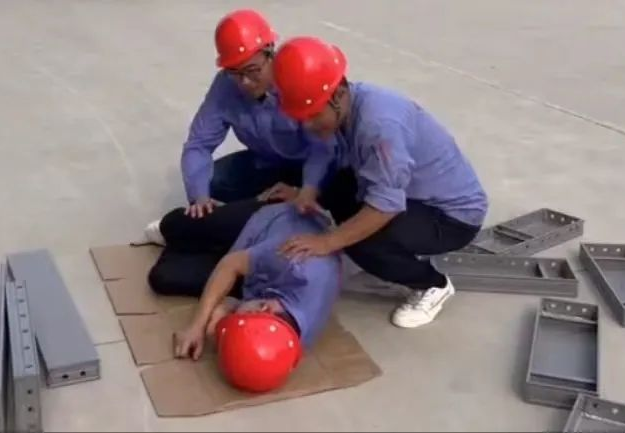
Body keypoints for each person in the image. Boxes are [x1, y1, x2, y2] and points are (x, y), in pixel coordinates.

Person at [269, 36, 489, 329]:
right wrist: (307, 191)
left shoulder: (378, 126)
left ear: (337, 94)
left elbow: (385, 206)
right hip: (413, 194)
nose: (307, 125)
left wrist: (327, 242)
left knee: (363, 241)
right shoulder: (348, 105)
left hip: (451, 217)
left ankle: (432, 285)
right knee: (337, 188)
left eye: (312, 116)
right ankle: (390, 258)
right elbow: (323, 151)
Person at [178, 9, 335, 219]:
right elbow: (198, 144)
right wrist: (199, 196)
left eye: (252, 70)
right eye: (235, 72)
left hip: (311, 165)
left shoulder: (297, 76)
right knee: (212, 183)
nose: (245, 82)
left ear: (270, 53)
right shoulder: (225, 85)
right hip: (266, 163)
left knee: (340, 187)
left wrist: (306, 190)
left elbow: (323, 147)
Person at [144, 199, 342, 363]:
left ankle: (201, 246)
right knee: (174, 225)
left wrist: (227, 306)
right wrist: (197, 326)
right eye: (239, 316)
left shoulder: (291, 343)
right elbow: (230, 264)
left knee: (162, 277)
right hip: (267, 220)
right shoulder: (294, 261)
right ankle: (220, 217)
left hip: (257, 273)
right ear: (264, 308)